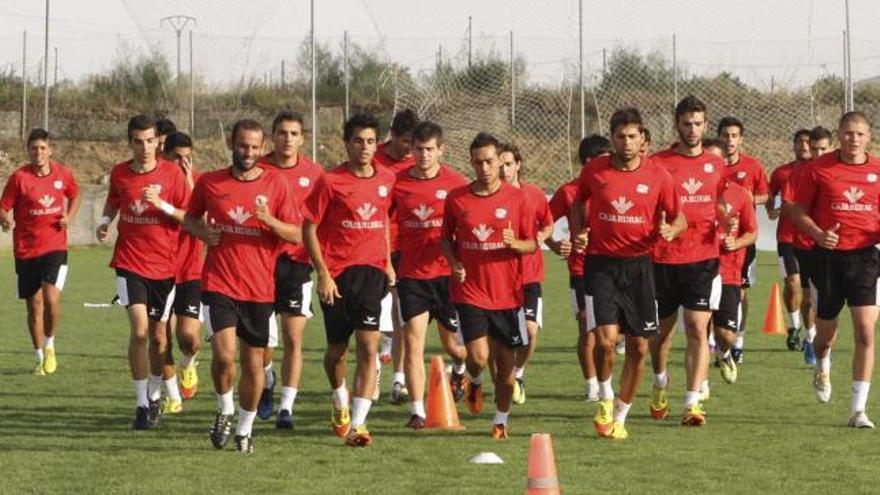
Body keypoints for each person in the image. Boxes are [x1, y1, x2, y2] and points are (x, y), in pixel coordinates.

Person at [184, 119, 301, 453]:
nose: (248, 152)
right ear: (231, 144)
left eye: (254, 147)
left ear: (262, 148)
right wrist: (201, 232)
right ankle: (224, 409)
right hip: (219, 282)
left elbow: (296, 233)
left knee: (253, 364)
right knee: (223, 356)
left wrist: (270, 221)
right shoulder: (210, 182)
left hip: (260, 289)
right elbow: (191, 218)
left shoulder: (277, 183)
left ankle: (245, 429)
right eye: (242, 145)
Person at [572, 107, 685, 440]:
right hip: (601, 265)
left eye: (632, 136)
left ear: (642, 139)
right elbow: (578, 204)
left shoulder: (659, 175)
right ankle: (605, 397)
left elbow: (680, 218)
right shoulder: (595, 170)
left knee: (638, 347)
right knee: (606, 343)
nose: (626, 142)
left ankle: (621, 415)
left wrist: (670, 231)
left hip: (640, 268)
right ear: (611, 137)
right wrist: (579, 231)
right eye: (620, 136)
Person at [302, 113, 396, 447]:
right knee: (337, 352)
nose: (365, 147)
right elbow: (309, 228)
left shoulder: (387, 179)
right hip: (337, 276)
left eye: (371, 141)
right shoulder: (330, 181)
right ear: (347, 143)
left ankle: (358, 425)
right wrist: (323, 274)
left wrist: (387, 263)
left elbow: (383, 218)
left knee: (369, 347)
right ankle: (339, 397)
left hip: (371, 274)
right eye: (359, 140)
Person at [440, 132, 537, 439]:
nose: (484, 168)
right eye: (478, 162)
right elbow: (445, 238)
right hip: (470, 292)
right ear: (472, 162)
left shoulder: (517, 198)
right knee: (480, 356)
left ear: (499, 161)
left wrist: (515, 243)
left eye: (489, 161)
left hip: (508, 295)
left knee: (506, 371)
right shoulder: (457, 199)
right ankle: (473, 377)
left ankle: (500, 420)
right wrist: (454, 263)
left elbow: (532, 244)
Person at [96, 114, 189, 430]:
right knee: (139, 331)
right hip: (128, 263)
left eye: (150, 140)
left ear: (158, 141)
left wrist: (161, 204)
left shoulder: (172, 174)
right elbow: (113, 202)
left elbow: (188, 216)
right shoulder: (120, 172)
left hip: (163, 267)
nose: (145, 147)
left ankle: (153, 392)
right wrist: (106, 222)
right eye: (138, 141)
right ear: (130, 142)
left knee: (160, 339)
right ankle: (139, 404)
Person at [790, 111, 880, 429]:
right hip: (827, 259)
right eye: (847, 133)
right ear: (838, 135)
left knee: (866, 331)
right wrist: (818, 234)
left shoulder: (877, 170)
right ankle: (823, 363)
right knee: (825, 336)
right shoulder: (819, 169)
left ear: (868, 137)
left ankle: (858, 410)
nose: (853, 139)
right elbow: (796, 210)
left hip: (866, 259)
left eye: (859, 133)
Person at [647, 96, 726, 426]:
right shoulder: (657, 163)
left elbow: (722, 202)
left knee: (696, 327)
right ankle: (660, 381)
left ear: (706, 125)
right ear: (676, 125)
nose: (692, 130)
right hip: (663, 258)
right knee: (662, 334)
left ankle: (692, 403)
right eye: (686, 124)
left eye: (698, 124)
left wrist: (726, 220)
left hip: (703, 258)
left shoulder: (717, 165)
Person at [391, 121, 469, 429]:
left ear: (441, 150)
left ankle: (460, 369)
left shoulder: (456, 183)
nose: (423, 155)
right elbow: (383, 223)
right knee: (413, 343)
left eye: (429, 150)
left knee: (455, 347)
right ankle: (418, 411)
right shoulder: (396, 184)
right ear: (411, 150)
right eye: (418, 149)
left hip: (446, 275)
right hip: (412, 275)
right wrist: (387, 260)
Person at [256, 111, 324, 429]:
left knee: (293, 338)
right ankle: (267, 381)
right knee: (264, 344)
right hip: (261, 264)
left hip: (297, 264)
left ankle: (286, 408)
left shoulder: (314, 173)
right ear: (273, 137)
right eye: (282, 132)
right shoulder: (260, 169)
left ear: (302, 138)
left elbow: (316, 223)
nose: (288, 139)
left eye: (294, 133)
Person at [0, 128, 80, 375]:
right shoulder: (19, 178)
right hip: (25, 250)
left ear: (50, 150)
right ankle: (38, 358)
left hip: (55, 246)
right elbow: (3, 207)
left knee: (51, 298)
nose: (39, 152)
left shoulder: (62, 174)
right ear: (28, 150)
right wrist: (4, 219)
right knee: (34, 306)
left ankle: (50, 345)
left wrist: (70, 216)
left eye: (43, 148)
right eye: (34, 148)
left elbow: (75, 194)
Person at [548, 134, 611, 401]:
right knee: (587, 329)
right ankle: (592, 385)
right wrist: (553, 243)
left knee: (610, 333)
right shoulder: (568, 192)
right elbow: (543, 221)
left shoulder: (613, 188)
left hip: (611, 268)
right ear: (588, 162)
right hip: (581, 269)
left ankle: (606, 379)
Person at [498, 142, 555, 405]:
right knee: (497, 341)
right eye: (499, 164)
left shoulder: (534, 194)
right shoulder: (488, 196)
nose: (503, 169)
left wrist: (541, 236)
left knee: (530, 333)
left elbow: (547, 222)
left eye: (508, 164)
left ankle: (518, 374)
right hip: (498, 279)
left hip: (529, 277)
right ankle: (492, 378)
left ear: (518, 165)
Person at [374, 108, 419, 403]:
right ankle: (373, 367)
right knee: (370, 313)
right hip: (371, 245)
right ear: (392, 136)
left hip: (404, 247)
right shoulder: (373, 158)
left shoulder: (419, 161)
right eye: (405, 142)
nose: (410, 150)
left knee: (402, 312)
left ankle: (399, 378)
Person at [780, 126, 834, 365]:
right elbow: (789, 205)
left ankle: (816, 341)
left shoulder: (839, 173)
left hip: (829, 245)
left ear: (832, 148)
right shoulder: (796, 174)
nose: (818, 154)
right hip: (797, 241)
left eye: (823, 149)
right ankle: (808, 336)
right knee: (799, 290)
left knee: (817, 299)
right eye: (814, 149)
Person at [718, 116, 769, 364]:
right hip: (713, 243)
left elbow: (765, 195)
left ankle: (738, 339)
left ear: (741, 139)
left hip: (742, 241)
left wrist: (748, 199)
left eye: (734, 135)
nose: (729, 140)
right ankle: (715, 342)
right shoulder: (713, 166)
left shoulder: (753, 166)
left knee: (740, 292)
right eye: (725, 135)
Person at [159, 131, 203, 411]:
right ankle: (172, 396)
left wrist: (188, 184)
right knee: (160, 336)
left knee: (190, 338)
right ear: (165, 155)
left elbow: (204, 221)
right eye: (177, 158)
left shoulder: (199, 182)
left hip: (191, 270)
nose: (183, 163)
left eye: (188, 158)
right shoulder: (155, 182)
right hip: (158, 270)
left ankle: (188, 364)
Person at [767, 130, 812, 352]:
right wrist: (772, 209)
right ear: (793, 145)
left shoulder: (820, 172)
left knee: (811, 294)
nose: (803, 145)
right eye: (799, 141)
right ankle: (794, 327)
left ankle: (811, 336)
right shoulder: (781, 173)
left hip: (813, 239)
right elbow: (769, 199)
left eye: (807, 141)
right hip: (787, 238)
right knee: (792, 284)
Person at [713, 180, 758, 384]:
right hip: (699, 267)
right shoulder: (692, 192)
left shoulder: (741, 194)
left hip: (729, 270)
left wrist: (736, 242)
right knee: (698, 327)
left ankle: (724, 353)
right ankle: (698, 389)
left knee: (726, 336)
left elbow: (752, 232)